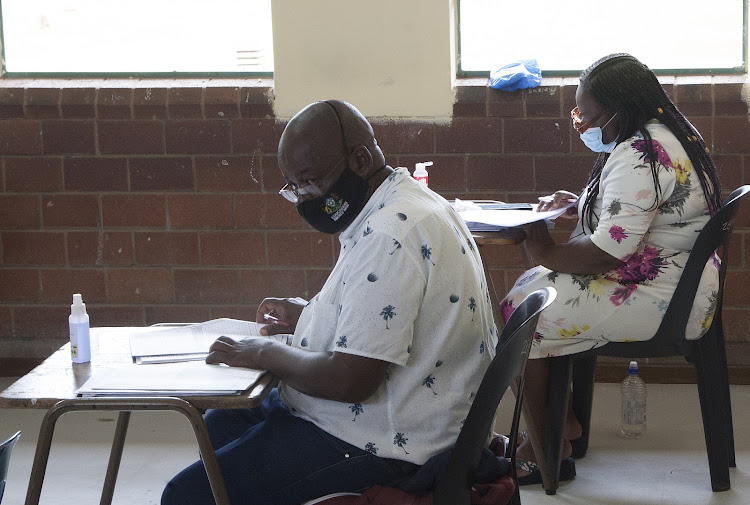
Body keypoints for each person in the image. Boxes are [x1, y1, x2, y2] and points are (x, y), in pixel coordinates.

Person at [161, 100, 498, 505]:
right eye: (293, 186)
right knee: (220, 424)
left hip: (385, 442)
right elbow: (389, 314)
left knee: (188, 496)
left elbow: (350, 380)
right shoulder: (401, 203)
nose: (304, 198)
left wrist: (265, 351)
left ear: (359, 159)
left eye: (310, 181)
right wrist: (308, 315)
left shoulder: (388, 235)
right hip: (404, 415)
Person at [501, 53, 723, 484]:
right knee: (528, 289)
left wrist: (542, 245)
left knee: (519, 316)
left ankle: (544, 446)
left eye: (588, 117)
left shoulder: (640, 151)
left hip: (664, 295)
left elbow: (606, 253)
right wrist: (583, 202)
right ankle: (558, 427)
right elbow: (640, 211)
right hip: (683, 280)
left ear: (618, 110)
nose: (582, 126)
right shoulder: (667, 133)